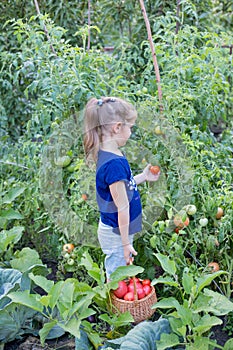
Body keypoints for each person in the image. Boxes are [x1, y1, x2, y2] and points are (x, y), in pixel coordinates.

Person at [83, 96, 160, 281]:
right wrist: (125, 244)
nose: (131, 132)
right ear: (117, 127)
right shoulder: (113, 164)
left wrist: (142, 177)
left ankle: (118, 304)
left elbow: (121, 187)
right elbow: (122, 207)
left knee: (121, 275)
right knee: (117, 278)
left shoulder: (111, 153)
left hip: (118, 231)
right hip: (117, 234)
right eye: (130, 127)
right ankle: (114, 308)